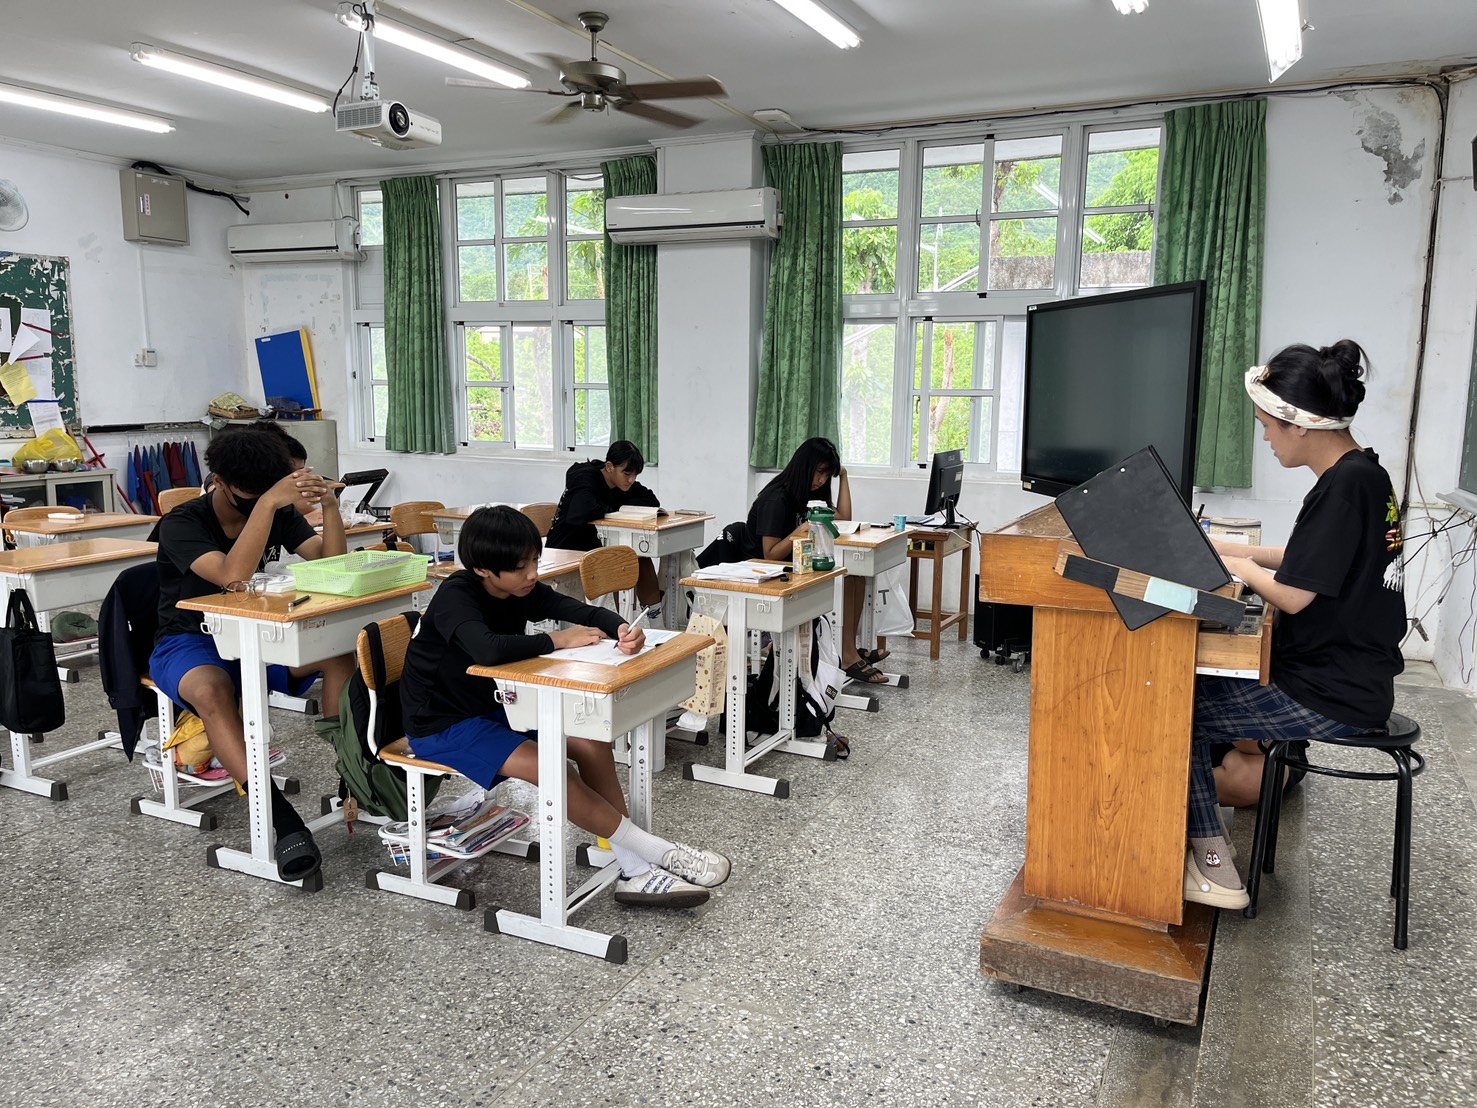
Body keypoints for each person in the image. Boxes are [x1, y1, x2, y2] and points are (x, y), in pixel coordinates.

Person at [399, 505, 732, 908]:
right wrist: (558, 641)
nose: (532, 574)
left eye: (534, 561)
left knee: (592, 744)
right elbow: (487, 650)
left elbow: (578, 610)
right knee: (553, 769)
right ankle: (660, 855)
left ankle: (633, 869)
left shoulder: (518, 589)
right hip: (441, 724)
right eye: (520, 568)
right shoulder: (457, 594)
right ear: (484, 569)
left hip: (496, 706)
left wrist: (620, 629)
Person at [1184, 340, 1405, 910]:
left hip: (1331, 690)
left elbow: (1297, 596)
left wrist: (1239, 569)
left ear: (1298, 424)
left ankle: (1211, 867)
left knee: (1171, 709)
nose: (1265, 439)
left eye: (1267, 426)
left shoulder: (1344, 486)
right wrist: (1232, 548)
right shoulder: (1363, 473)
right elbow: (1310, 560)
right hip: (1354, 677)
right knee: (1191, 693)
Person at [150, 428, 355, 882]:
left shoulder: (278, 512)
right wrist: (267, 504)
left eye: (269, 492)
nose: (259, 502)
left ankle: (352, 775)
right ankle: (282, 819)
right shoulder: (183, 523)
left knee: (338, 654)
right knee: (212, 691)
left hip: (255, 633)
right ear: (219, 482)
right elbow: (232, 575)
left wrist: (330, 507)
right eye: (249, 495)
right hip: (188, 640)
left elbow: (331, 566)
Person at [744, 437, 887, 684]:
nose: (821, 480)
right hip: (768, 573)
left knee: (856, 576)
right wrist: (800, 531)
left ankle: (848, 649)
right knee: (845, 580)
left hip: (796, 564)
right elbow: (770, 554)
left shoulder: (807, 494)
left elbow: (843, 518)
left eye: (827, 475)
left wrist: (843, 476)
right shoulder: (776, 499)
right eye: (819, 472)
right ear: (805, 466)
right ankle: (847, 656)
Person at [546, 440, 664, 609]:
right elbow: (582, 511)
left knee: (640, 557)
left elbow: (651, 501)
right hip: (565, 548)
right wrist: (617, 507)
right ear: (609, 467)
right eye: (627, 473)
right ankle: (623, 621)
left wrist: (616, 506)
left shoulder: (621, 483)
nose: (631, 480)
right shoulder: (585, 478)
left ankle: (654, 619)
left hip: (593, 544)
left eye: (635, 475)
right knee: (621, 559)